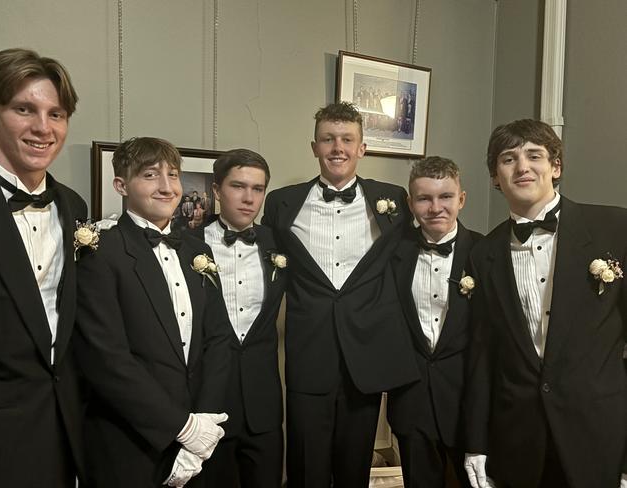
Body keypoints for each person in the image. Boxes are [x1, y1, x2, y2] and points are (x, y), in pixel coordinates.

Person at [262, 101, 419, 488]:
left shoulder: (394, 199)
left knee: (354, 466)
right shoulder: (281, 202)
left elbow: (430, 236)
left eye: (347, 139)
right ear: (313, 146)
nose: (338, 147)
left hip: (365, 356)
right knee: (305, 465)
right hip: (308, 350)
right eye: (328, 139)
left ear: (362, 148)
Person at [464, 119, 627, 488]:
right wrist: (475, 443)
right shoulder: (483, 255)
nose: (522, 167)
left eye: (534, 155)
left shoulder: (615, 229)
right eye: (508, 159)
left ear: (556, 167)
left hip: (599, 436)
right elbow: (481, 357)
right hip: (518, 441)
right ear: (494, 176)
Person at [74, 136, 232, 488]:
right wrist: (182, 428)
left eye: (173, 175)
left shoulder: (197, 248)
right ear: (121, 185)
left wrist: (202, 428)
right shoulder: (101, 252)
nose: (166, 187)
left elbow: (219, 338)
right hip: (129, 442)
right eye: (150, 175)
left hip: (201, 444)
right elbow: (107, 359)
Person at [0, 47, 86, 487]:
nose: (44, 128)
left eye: (56, 114)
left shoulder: (73, 206)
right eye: (25, 110)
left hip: (66, 427)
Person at [387, 157, 482, 488]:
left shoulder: (485, 253)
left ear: (462, 199)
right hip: (412, 400)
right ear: (411, 203)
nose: (435, 207)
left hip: (470, 404)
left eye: (445, 197)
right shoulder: (392, 254)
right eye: (424, 198)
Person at [194, 148, 285, 488]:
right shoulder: (187, 245)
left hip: (264, 406)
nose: (249, 198)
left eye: (258, 189)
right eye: (238, 186)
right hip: (208, 403)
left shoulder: (278, 244)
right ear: (217, 190)